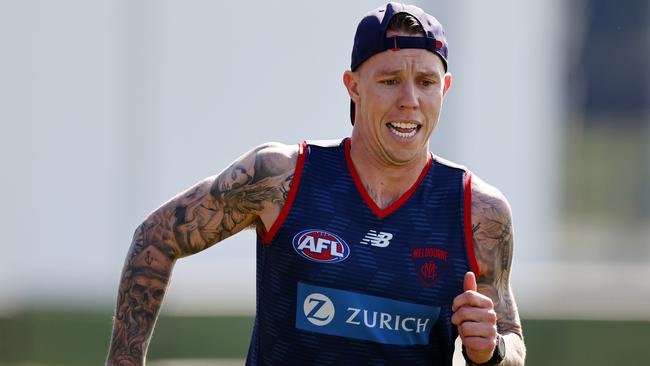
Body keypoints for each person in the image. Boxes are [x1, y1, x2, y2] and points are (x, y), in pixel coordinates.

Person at [106, 3, 525, 365]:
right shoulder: (282, 176)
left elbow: (511, 341)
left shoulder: (477, 211)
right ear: (353, 87)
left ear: (445, 89)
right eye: (390, 80)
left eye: (427, 82)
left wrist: (494, 351)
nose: (410, 100)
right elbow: (156, 238)